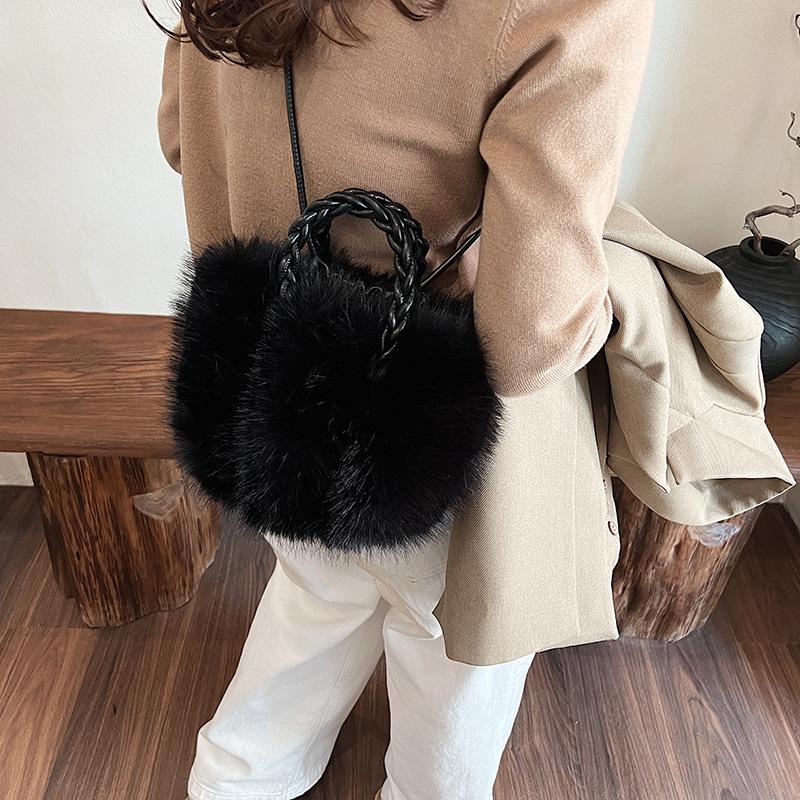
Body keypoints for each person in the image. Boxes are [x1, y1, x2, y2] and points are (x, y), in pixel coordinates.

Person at [154, 1, 654, 798]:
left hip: (268, 364)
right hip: (427, 408)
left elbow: (181, 138)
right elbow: (529, 339)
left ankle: (235, 778)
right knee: (450, 635)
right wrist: (624, 294)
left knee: (320, 587)